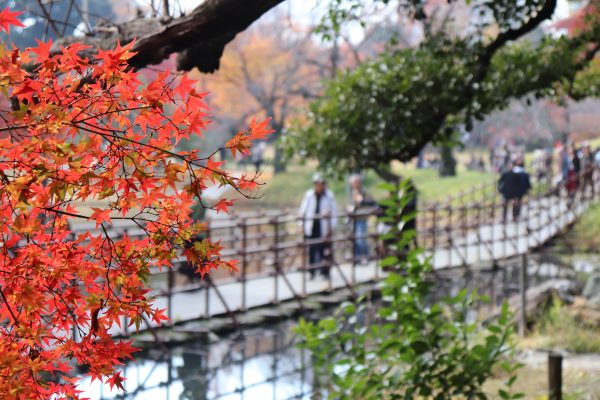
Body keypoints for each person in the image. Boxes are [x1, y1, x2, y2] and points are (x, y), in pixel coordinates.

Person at [299, 173, 337, 279]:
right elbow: (303, 210)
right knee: (311, 249)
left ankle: (324, 271)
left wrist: (332, 227)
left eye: (321, 184)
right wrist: (301, 224)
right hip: (312, 226)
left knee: (324, 250)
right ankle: (312, 271)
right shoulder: (309, 195)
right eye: (317, 184)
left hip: (324, 226)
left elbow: (334, 212)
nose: (319, 186)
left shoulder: (329, 196)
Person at [348, 174, 376, 264]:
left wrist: (361, 200)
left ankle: (365, 256)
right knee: (356, 238)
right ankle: (358, 257)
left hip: (362, 217)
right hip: (354, 218)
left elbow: (370, 203)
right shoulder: (352, 192)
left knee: (361, 238)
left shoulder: (364, 192)